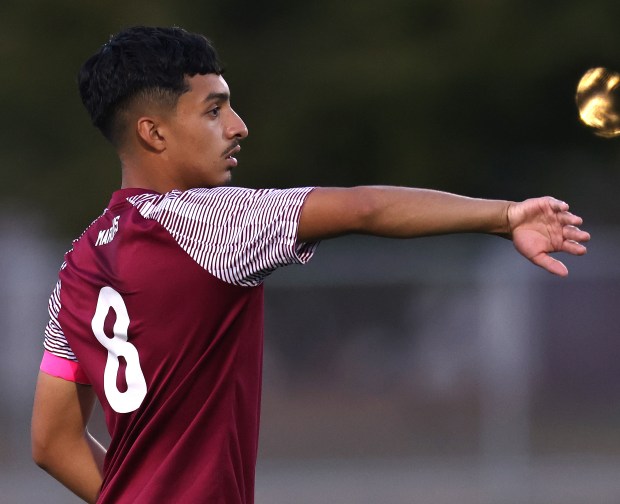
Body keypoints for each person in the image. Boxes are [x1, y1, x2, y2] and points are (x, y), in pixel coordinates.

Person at [30, 25, 590, 504]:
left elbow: (52, 442)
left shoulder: (77, 265)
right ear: (153, 133)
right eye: (214, 109)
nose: (237, 126)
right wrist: (504, 216)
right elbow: (365, 207)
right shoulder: (206, 220)